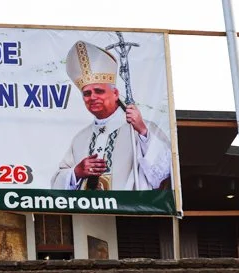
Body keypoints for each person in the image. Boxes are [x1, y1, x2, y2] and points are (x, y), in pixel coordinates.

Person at [51, 40, 171, 191]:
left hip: (128, 212)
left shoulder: (141, 130)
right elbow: (56, 184)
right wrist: (76, 172)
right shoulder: (80, 139)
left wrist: (142, 131)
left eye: (99, 91)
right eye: (87, 93)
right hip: (88, 213)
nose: (92, 97)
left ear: (115, 94)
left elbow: (164, 173)